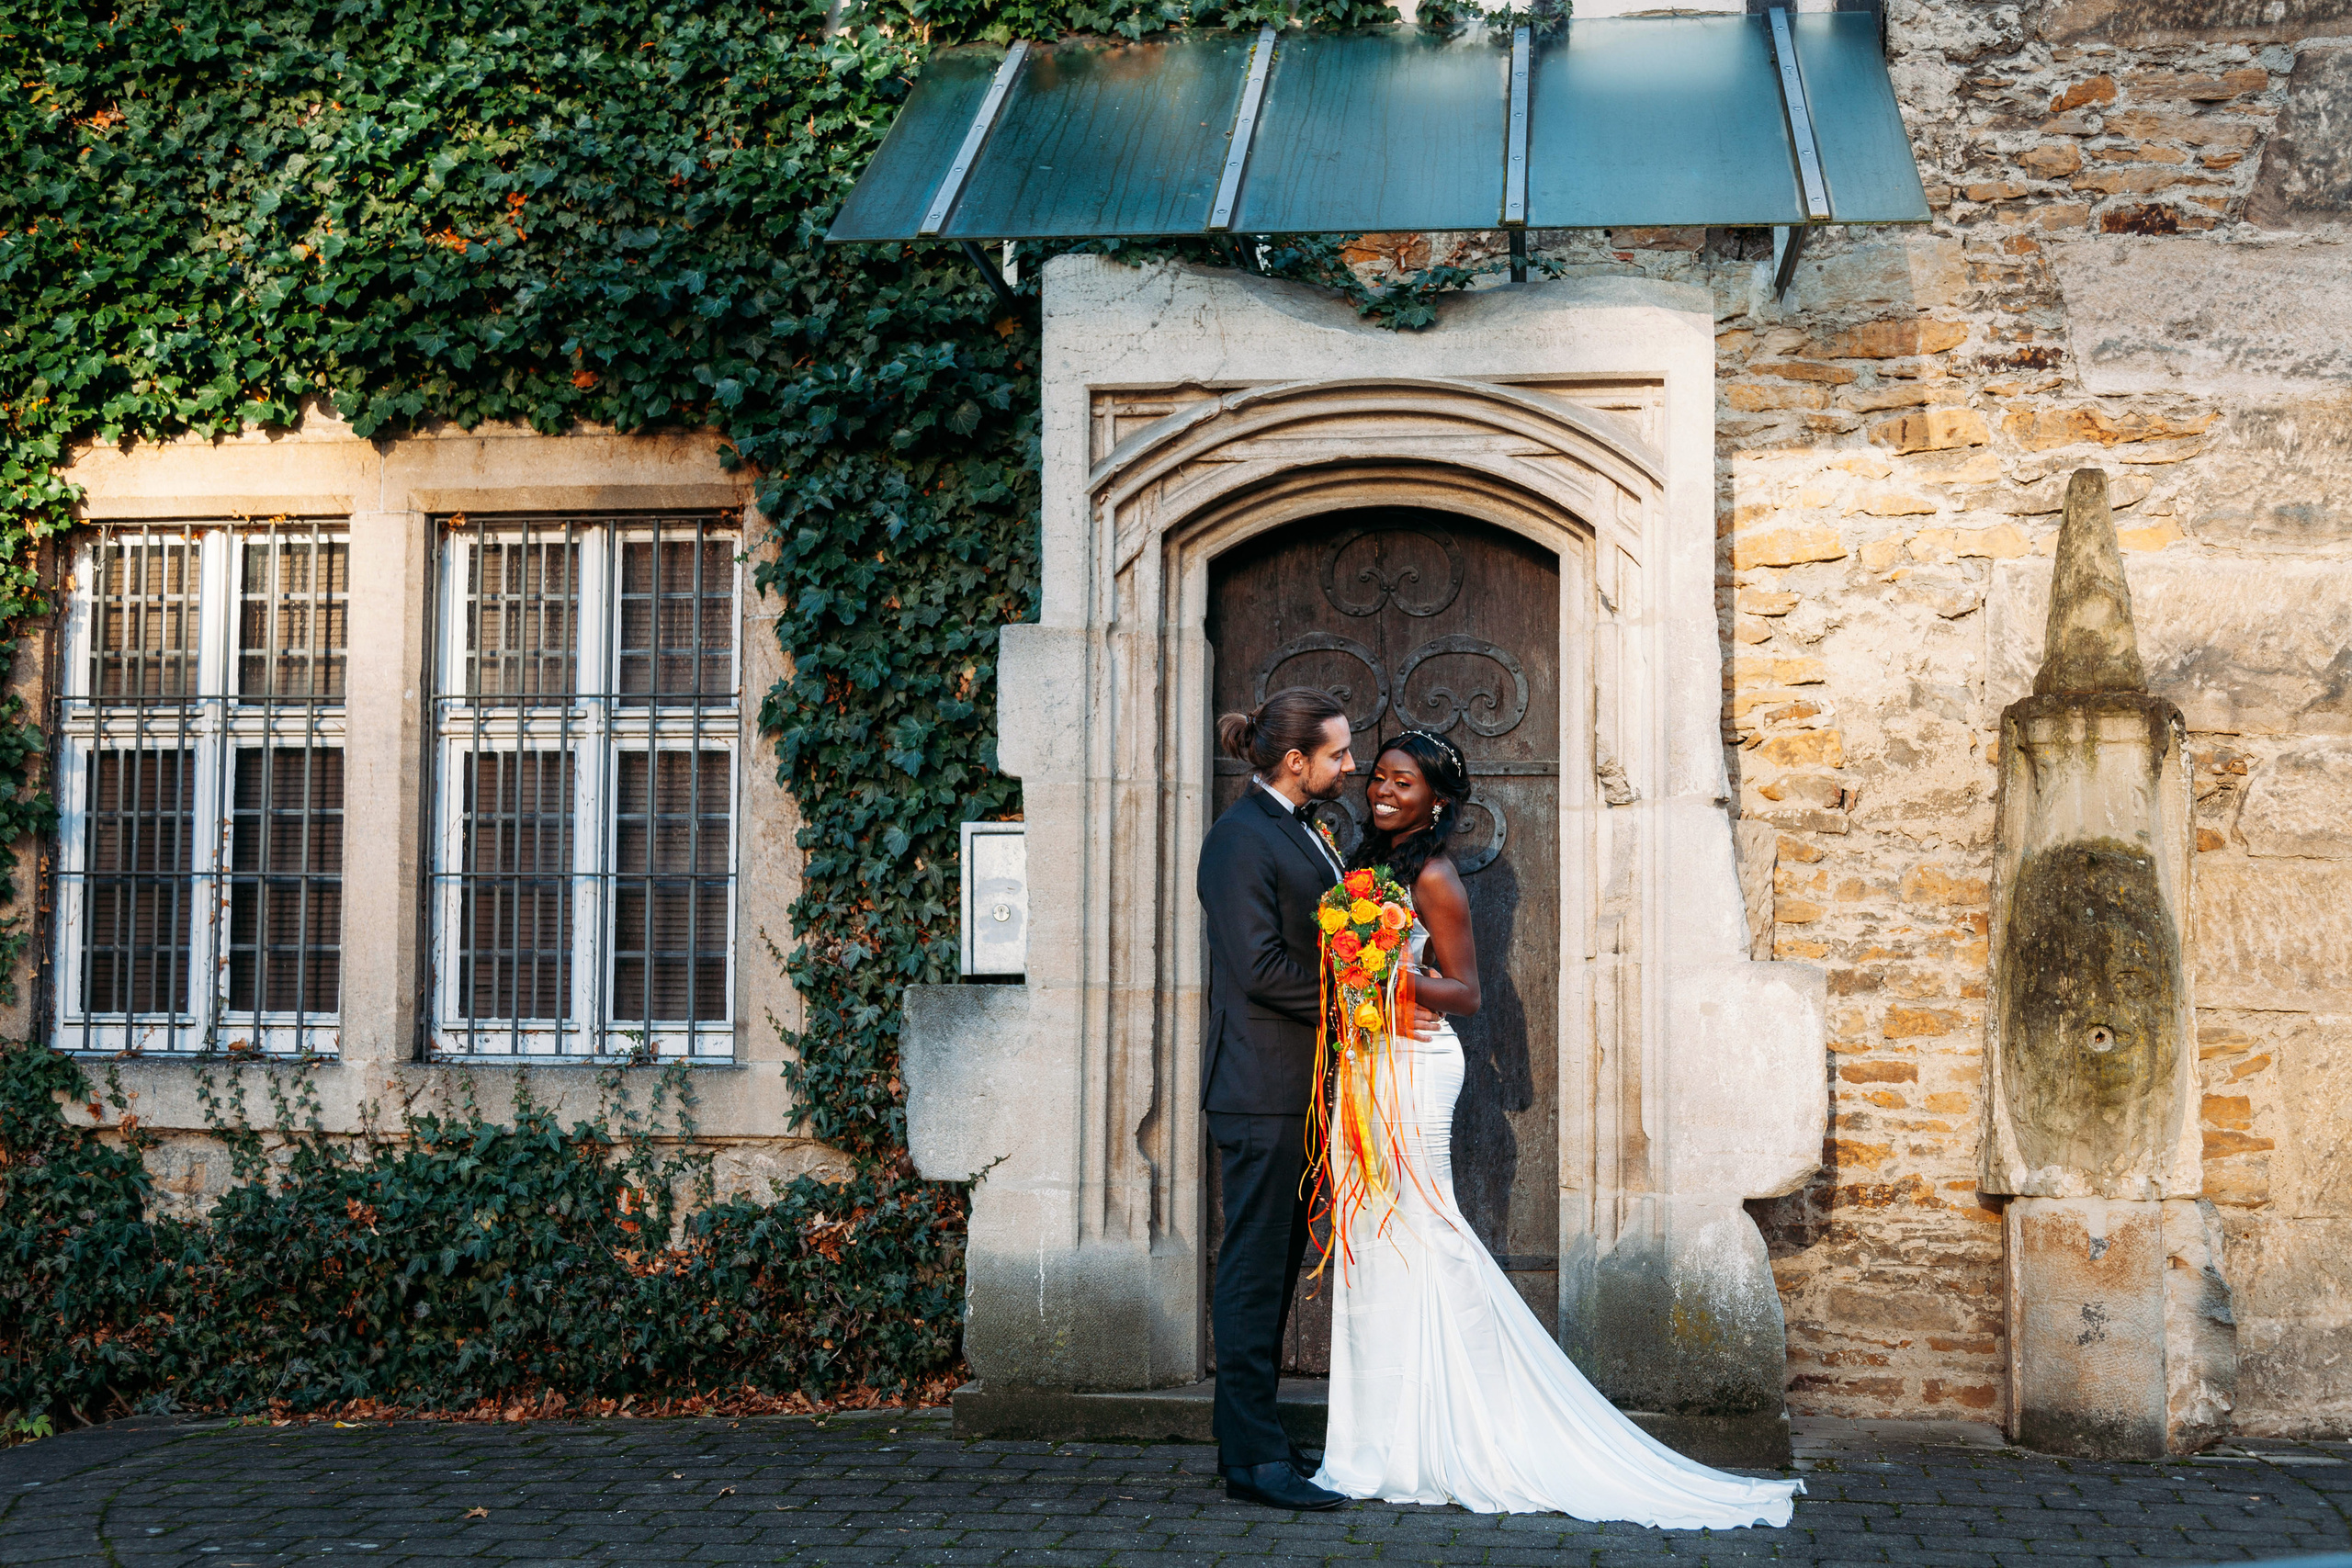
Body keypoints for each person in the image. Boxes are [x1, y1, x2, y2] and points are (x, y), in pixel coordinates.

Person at [1310, 730, 1804, 1529]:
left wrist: (1392, 974)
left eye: (1402, 782)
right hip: (1366, 1064)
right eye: (1378, 778)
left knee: (1424, 1229)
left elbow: (1467, 990)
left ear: (1437, 800)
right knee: (1370, 1235)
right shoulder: (1368, 871)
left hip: (1416, 1066)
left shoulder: (1434, 874)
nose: (1381, 791)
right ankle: (1381, 1439)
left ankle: (1476, 1420)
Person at [1194, 687, 1359, 1512]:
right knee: (1254, 1270)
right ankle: (1253, 1461)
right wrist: (1356, 995)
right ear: (1296, 761)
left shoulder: (1302, 829)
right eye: (1338, 753)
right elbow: (1259, 968)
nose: (1351, 764)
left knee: (1276, 1263)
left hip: (1300, 1086)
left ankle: (1251, 1438)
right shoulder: (1236, 840)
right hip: (1261, 1090)